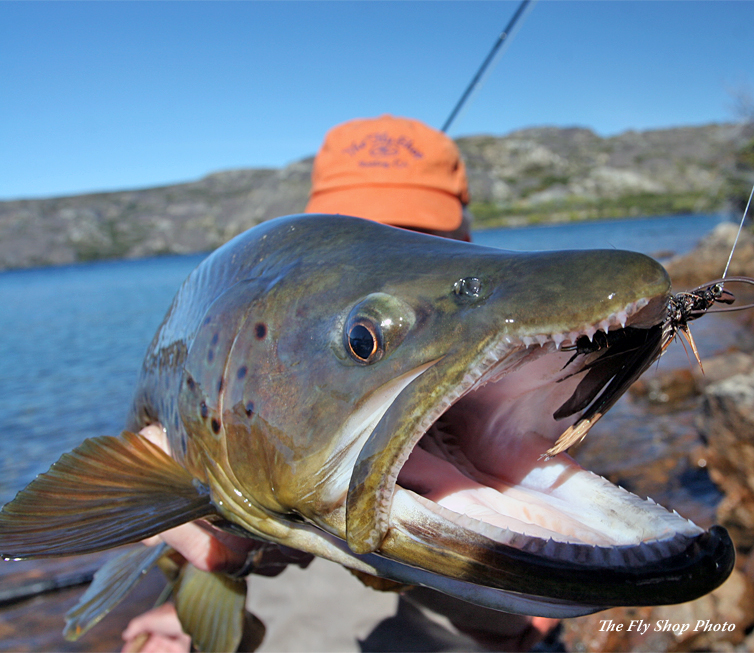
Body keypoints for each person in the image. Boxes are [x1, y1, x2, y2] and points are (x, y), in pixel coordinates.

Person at [122, 116, 557, 653]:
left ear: (465, 245)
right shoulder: (254, 373)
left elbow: (524, 623)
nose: (388, 255)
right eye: (357, 233)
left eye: (418, 236)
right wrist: (190, 578)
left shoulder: (521, 406)